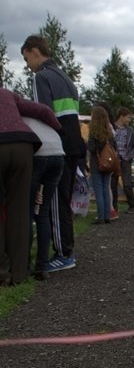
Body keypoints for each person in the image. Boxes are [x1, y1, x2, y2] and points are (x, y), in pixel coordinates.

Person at [21, 34, 83, 272]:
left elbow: (42, 115)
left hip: (57, 145)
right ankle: (67, 248)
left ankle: (63, 253)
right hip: (74, 144)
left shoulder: (41, 77)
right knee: (63, 200)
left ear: (35, 51)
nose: (28, 66)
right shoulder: (67, 78)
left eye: (27, 60)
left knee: (54, 202)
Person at [0, 87, 61, 285]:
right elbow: (43, 111)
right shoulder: (6, 93)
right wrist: (58, 129)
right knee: (19, 211)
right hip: (24, 145)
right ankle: (18, 274)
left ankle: (2, 272)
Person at [23, 110, 64, 280]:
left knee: (27, 212)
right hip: (58, 154)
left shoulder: (15, 118)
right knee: (42, 212)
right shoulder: (39, 117)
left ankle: (24, 265)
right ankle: (43, 266)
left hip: (38, 155)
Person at [87, 105, 117, 224]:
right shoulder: (110, 132)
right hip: (108, 163)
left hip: (96, 164)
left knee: (98, 190)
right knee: (106, 189)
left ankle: (100, 217)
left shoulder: (93, 131)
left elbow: (92, 148)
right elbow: (114, 147)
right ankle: (107, 216)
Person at [114, 107, 134, 213]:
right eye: (128, 118)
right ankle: (113, 207)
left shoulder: (130, 130)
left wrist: (129, 156)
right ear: (122, 116)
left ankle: (132, 205)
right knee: (112, 184)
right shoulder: (112, 127)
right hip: (114, 160)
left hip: (125, 160)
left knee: (127, 183)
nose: (129, 120)